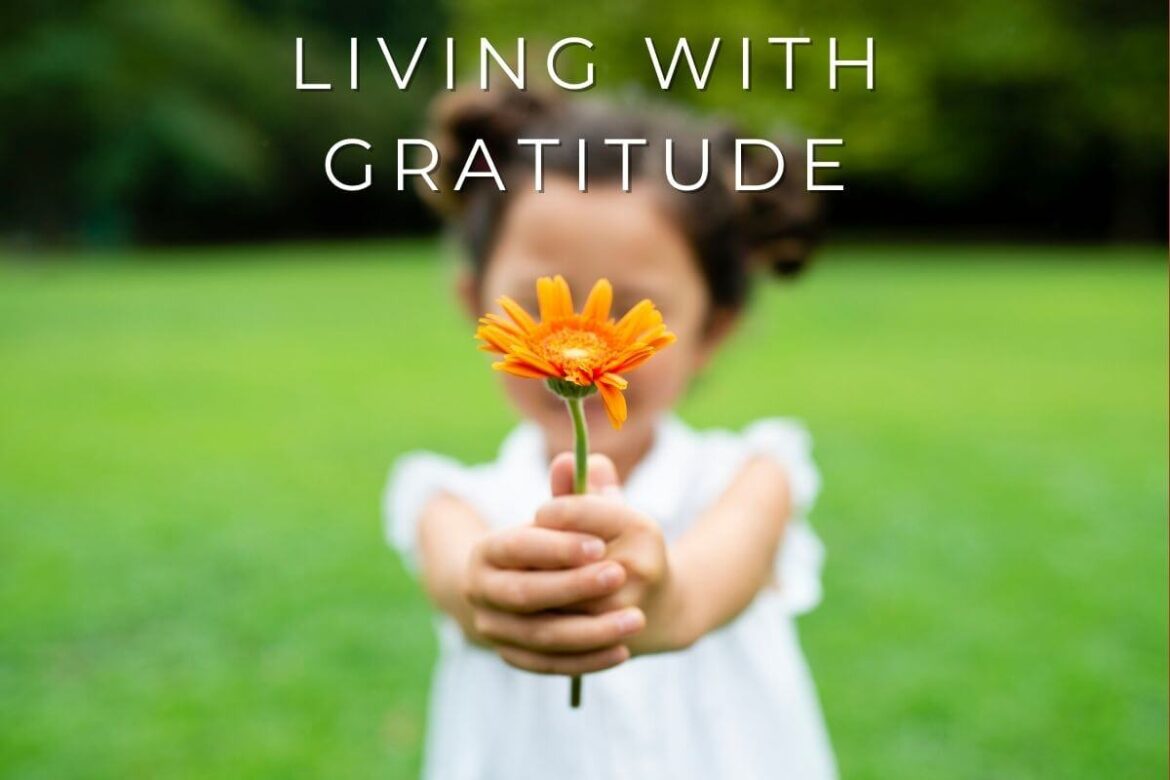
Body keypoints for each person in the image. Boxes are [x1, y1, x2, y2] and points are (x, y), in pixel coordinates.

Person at [384, 88, 836, 780]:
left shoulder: (753, 477)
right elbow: (461, 582)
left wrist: (663, 601)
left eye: (629, 314)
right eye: (538, 306)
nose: (581, 348)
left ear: (713, 329)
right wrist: (497, 595)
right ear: (476, 305)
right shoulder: (449, 500)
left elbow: (707, 584)